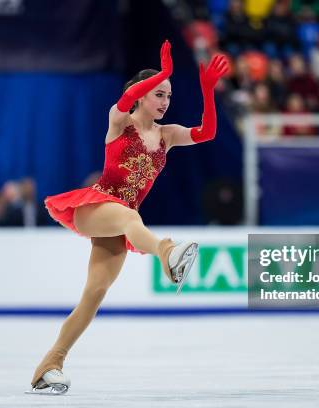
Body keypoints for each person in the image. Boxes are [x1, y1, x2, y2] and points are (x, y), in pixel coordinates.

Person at [28, 40, 229, 395]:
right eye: (159, 94)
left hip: (122, 219)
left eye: (168, 95)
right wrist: (163, 71)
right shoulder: (120, 122)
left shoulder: (167, 136)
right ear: (140, 96)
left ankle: (49, 365)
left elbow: (206, 133)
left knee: (95, 293)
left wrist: (208, 92)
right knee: (128, 218)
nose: (165, 101)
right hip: (96, 206)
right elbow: (123, 102)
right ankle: (168, 253)